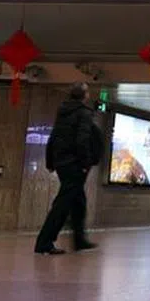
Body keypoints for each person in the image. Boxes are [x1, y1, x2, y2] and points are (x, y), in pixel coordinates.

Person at [35, 82, 103, 255]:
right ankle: (44, 242)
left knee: (78, 201)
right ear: (85, 95)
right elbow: (82, 139)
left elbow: (54, 135)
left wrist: (51, 161)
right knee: (63, 203)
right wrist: (85, 163)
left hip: (62, 162)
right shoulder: (84, 113)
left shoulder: (63, 111)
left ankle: (80, 240)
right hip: (75, 163)